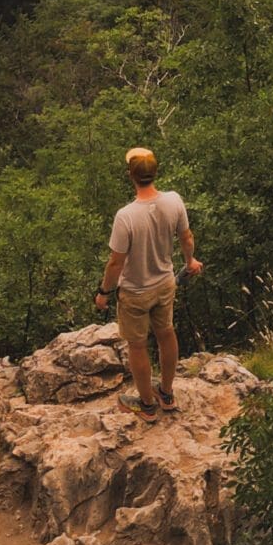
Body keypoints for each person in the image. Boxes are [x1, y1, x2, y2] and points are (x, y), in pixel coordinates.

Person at [95, 145, 201, 418]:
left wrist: (104, 293)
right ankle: (166, 393)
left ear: (130, 175)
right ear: (155, 172)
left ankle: (146, 405)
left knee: (138, 346)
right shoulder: (174, 201)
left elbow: (116, 263)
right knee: (166, 333)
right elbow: (186, 237)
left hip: (135, 292)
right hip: (165, 283)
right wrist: (190, 262)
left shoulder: (126, 216)